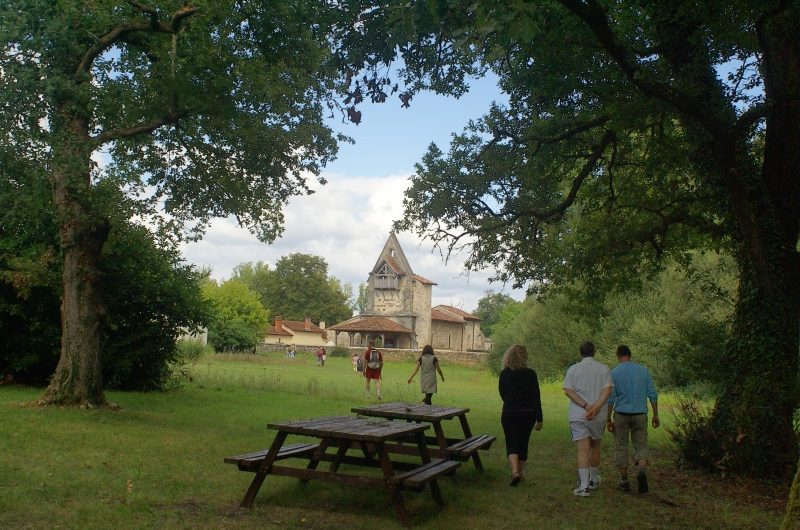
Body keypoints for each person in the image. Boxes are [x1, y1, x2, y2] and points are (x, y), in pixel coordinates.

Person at [606, 344, 660, 494]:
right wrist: (655, 414)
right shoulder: (643, 371)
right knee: (641, 445)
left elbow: (611, 398)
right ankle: (641, 471)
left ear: (618, 356)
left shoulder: (614, 373)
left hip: (621, 415)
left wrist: (608, 419)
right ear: (630, 355)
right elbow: (652, 394)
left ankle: (624, 481)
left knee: (621, 446)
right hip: (640, 414)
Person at [563, 340, 613, 497]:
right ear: (594, 352)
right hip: (598, 415)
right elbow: (607, 390)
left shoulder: (573, 369)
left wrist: (586, 407)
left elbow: (569, 391)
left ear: (580, 352)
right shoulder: (604, 369)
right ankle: (593, 479)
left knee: (582, 449)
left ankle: (584, 486)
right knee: (595, 446)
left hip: (578, 414)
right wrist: (596, 408)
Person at [498, 344, 543, 486]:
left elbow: (502, 393)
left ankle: (515, 472)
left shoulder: (505, 373)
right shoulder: (531, 374)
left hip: (509, 412)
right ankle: (519, 473)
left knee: (511, 443)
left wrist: (511, 402)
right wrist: (539, 418)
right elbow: (536, 397)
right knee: (523, 443)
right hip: (527, 414)